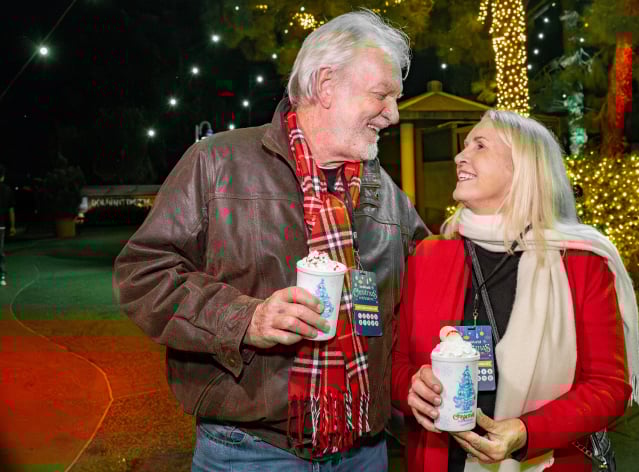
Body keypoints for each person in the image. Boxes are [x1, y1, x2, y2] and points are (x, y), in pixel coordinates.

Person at [114, 10, 428, 471]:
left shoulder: (385, 195)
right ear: (325, 85)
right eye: (382, 95)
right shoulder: (216, 163)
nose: (394, 114)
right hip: (249, 452)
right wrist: (246, 318)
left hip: (364, 450)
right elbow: (142, 274)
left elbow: (431, 277)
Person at [392, 110, 639, 472]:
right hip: (439, 460)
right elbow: (398, 363)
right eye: (464, 147)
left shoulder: (582, 264)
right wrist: (411, 388)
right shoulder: (429, 255)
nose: (461, 156)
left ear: (523, 168)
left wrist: (527, 432)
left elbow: (608, 388)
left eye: (480, 145)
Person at [0, 165, 16, 286]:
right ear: (3, 176)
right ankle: (2, 275)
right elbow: (11, 209)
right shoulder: (7, 190)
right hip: (1, 224)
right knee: (0, 250)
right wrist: (12, 226)